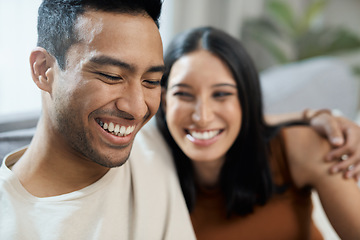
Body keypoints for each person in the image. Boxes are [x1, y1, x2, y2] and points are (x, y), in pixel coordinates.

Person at [0, 1, 196, 239]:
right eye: (111, 76)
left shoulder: (155, 142)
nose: (137, 108)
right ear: (43, 70)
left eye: (151, 81)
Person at [155, 26, 360, 239]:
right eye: (184, 95)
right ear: (164, 100)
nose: (202, 116)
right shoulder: (150, 167)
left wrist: (310, 116)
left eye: (221, 94)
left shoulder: (302, 147)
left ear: (246, 100)